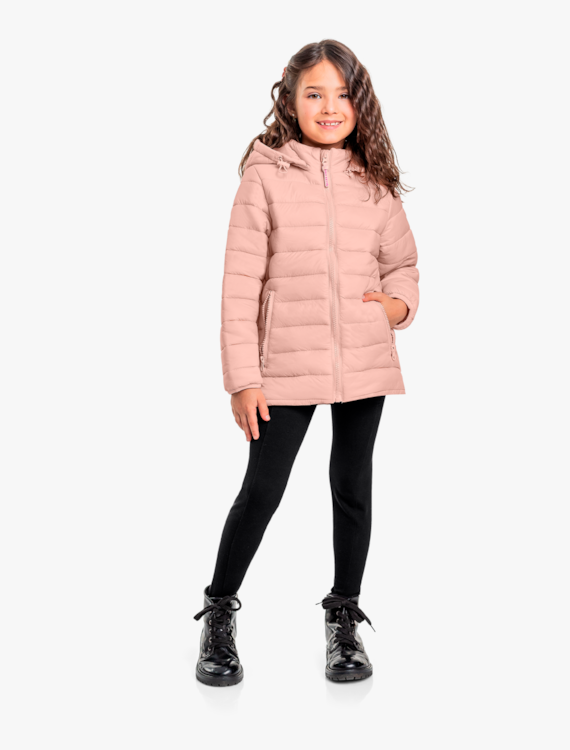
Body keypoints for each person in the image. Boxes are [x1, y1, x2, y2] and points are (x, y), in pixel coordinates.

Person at [194, 39, 419, 687]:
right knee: (263, 490)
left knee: (352, 487)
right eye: (314, 93)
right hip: (283, 364)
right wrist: (243, 378)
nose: (329, 106)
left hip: (362, 359)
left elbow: (403, 263)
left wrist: (397, 307)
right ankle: (218, 612)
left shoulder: (373, 178)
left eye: (343, 94)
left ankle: (344, 618)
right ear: (290, 101)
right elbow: (240, 285)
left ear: (360, 104)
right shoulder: (264, 175)